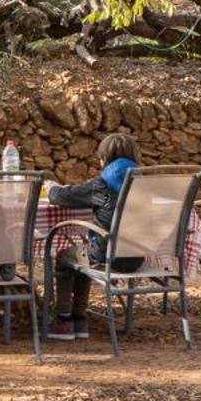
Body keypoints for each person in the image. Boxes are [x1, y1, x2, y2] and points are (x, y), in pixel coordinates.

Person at [43, 132, 142, 341]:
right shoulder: (141, 184)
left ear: (105, 158)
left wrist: (50, 187)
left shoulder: (102, 184)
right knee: (82, 254)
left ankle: (63, 320)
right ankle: (79, 319)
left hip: (108, 257)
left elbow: (62, 196)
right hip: (136, 257)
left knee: (64, 257)